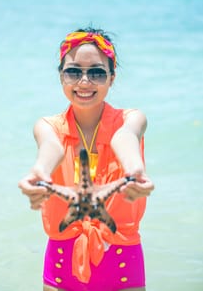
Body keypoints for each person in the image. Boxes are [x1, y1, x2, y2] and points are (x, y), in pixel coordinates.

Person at [18, 27, 154, 291]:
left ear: (112, 78)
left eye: (97, 72)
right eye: (73, 71)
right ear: (60, 76)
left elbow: (125, 137)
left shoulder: (131, 119)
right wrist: (40, 172)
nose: (84, 81)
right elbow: (51, 147)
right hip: (63, 254)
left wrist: (134, 169)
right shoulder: (49, 126)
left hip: (121, 253)